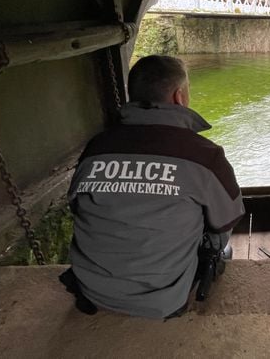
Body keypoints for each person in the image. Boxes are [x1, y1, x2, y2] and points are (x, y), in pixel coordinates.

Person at [62, 55, 244, 319]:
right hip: (164, 299)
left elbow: (76, 206)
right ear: (179, 97)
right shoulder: (204, 155)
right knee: (218, 227)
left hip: (92, 290)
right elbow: (228, 218)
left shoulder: (96, 148)